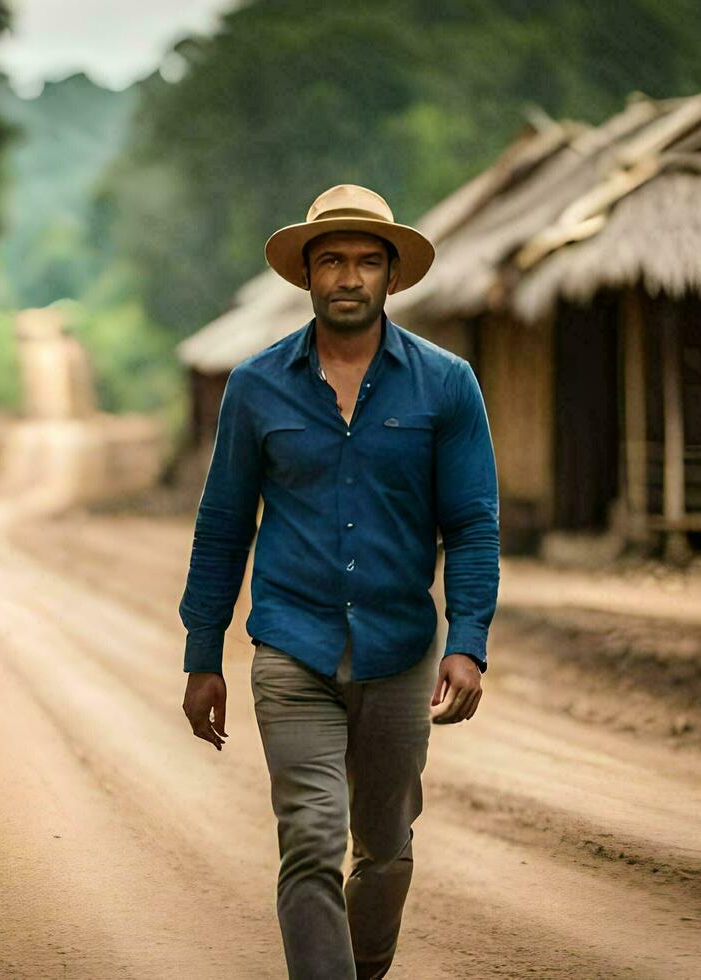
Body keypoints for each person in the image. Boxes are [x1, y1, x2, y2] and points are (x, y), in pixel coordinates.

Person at [178, 184, 500, 978]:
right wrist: (203, 653)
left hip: (400, 653)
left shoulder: (446, 384)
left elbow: (471, 525)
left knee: (385, 851)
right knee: (313, 839)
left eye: (364, 261)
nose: (348, 277)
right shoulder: (256, 387)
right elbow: (223, 525)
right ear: (307, 276)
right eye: (331, 260)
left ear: (390, 275)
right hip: (293, 646)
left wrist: (469, 643)